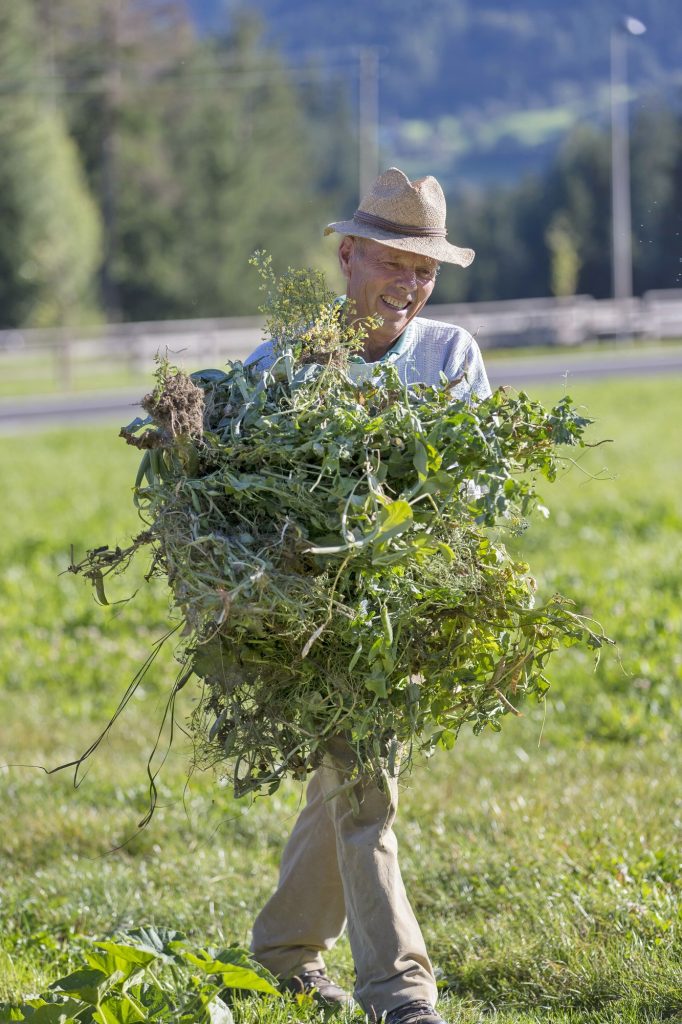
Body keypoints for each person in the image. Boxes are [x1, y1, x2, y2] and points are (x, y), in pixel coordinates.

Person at [245, 167, 491, 1024]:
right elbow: (236, 486)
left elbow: (475, 493)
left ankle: (282, 951)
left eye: (425, 272)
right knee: (363, 785)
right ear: (348, 255)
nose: (411, 287)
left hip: (405, 612)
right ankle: (401, 989)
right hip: (310, 618)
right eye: (395, 262)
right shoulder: (284, 363)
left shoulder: (451, 357)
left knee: (342, 780)